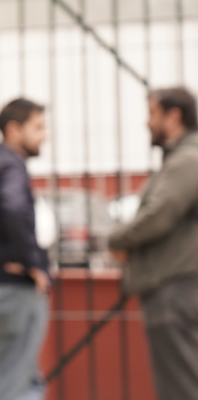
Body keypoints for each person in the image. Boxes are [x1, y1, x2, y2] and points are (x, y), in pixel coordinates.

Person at [109, 86, 198, 400]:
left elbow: (158, 215)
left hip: (176, 290)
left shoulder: (188, 160)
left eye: (152, 114)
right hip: (178, 288)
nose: (147, 123)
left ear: (173, 116)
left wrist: (116, 238)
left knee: (181, 387)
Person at [0, 98, 50, 400]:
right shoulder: (12, 166)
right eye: (38, 127)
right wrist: (35, 265)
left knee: (15, 373)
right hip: (17, 288)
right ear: (14, 129)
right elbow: (15, 207)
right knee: (22, 382)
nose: (45, 134)